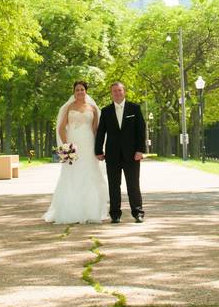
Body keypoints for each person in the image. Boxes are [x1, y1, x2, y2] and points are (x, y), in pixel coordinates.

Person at [43, 81, 107, 224]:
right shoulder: (68, 107)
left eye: (82, 89)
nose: (80, 92)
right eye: (77, 90)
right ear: (74, 92)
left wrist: (98, 148)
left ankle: (90, 211)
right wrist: (66, 146)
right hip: (73, 144)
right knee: (71, 175)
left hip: (89, 144)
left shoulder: (93, 109)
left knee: (90, 174)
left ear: (86, 91)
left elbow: (96, 131)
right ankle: (71, 211)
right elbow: (61, 128)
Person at [95, 81, 146, 223]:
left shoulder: (134, 109)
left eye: (119, 90)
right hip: (112, 155)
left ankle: (138, 212)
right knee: (113, 185)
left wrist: (140, 150)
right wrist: (98, 150)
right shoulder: (106, 111)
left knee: (133, 185)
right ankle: (115, 214)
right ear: (111, 94)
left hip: (132, 154)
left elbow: (141, 131)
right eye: (114, 91)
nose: (117, 93)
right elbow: (100, 132)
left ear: (124, 92)